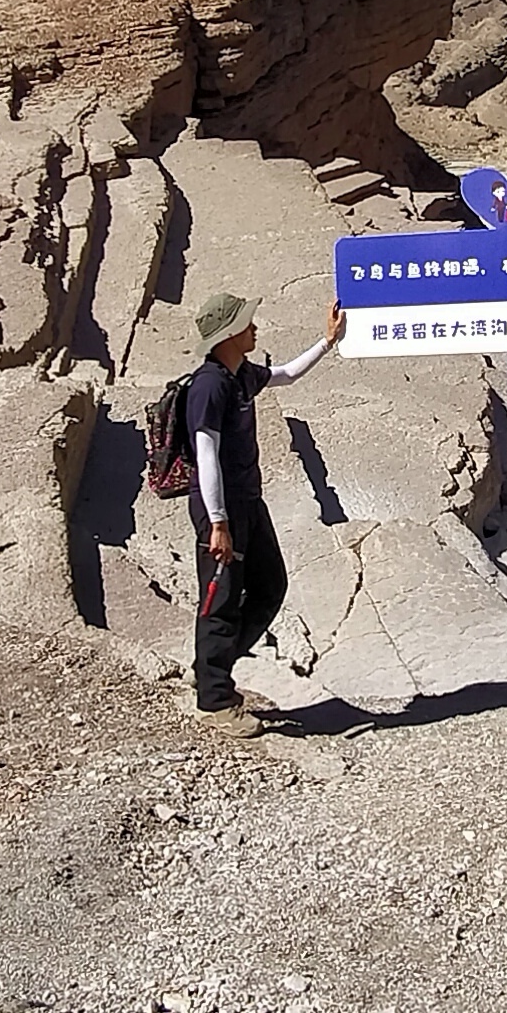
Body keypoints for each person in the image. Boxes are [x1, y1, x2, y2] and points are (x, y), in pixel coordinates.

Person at [186, 290, 345, 735]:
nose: (254, 328)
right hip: (221, 510)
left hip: (247, 502)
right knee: (220, 600)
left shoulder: (240, 375)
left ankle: (210, 669)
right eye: (246, 323)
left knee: (270, 586)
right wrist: (218, 523)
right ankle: (215, 701)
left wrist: (327, 341)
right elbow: (205, 455)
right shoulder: (210, 385)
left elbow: (287, 375)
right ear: (227, 335)